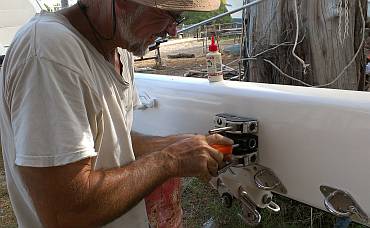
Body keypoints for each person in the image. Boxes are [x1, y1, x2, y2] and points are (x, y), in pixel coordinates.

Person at [0, 0, 232, 227]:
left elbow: (111, 140)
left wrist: (177, 144)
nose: (173, 30)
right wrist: (171, 160)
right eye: (170, 14)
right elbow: (66, 213)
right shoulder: (49, 52)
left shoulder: (119, 49)